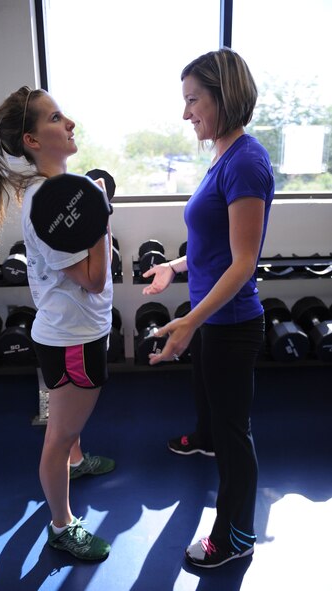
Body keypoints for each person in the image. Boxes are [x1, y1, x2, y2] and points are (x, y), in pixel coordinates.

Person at [143, 48, 274, 568]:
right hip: (212, 318)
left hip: (232, 322)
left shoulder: (246, 160)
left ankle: (237, 536)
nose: (185, 113)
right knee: (216, 419)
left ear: (224, 96)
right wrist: (174, 267)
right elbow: (211, 243)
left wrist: (190, 320)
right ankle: (203, 437)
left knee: (234, 435)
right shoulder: (221, 155)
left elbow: (243, 262)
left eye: (193, 100)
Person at [0, 86, 115, 561]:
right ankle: (61, 525)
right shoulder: (47, 200)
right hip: (73, 337)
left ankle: (78, 459)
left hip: (71, 329)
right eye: (56, 118)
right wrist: (101, 215)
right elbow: (94, 280)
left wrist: (91, 204)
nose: (69, 122)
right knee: (59, 434)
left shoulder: (57, 190)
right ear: (32, 140)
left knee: (68, 425)